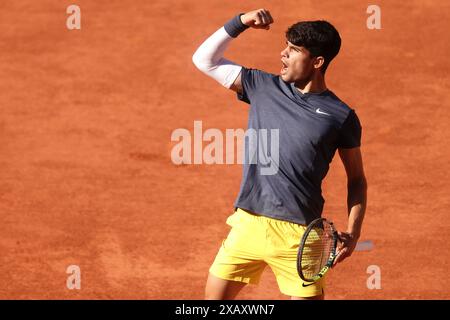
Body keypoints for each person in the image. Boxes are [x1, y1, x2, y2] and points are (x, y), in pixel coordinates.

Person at [192, 8, 368, 300]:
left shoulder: (340, 116)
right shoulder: (262, 86)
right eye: (286, 46)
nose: (283, 54)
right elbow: (204, 60)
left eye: (294, 50)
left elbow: (357, 179)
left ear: (317, 62)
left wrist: (353, 231)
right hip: (248, 223)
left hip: (300, 238)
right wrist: (240, 22)